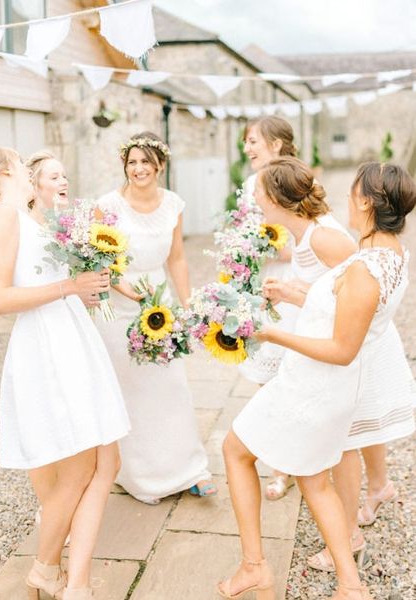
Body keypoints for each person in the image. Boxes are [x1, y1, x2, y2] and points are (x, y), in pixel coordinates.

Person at [218, 160, 415, 600]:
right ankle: (350, 585)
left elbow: (343, 349)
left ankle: (255, 566)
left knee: (234, 450)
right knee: (313, 479)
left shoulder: (365, 268)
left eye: (352, 192)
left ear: (366, 201)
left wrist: (270, 332)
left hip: (314, 386)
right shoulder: (389, 256)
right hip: (318, 385)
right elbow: (342, 310)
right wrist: (293, 294)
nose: (345, 198)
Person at [0, 147, 130, 600]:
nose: (27, 168)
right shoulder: (2, 217)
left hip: (70, 334)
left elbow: (37, 282)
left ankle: (69, 577)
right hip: (47, 346)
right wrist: (69, 287)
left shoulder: (30, 218)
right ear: (7, 170)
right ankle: (47, 569)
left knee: (106, 461)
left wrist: (80, 292)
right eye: (22, 163)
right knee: (82, 465)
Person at [95, 132, 215, 504]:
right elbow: (99, 260)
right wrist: (123, 287)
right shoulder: (108, 206)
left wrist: (188, 305)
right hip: (120, 307)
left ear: (159, 165)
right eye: (132, 162)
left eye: (145, 161)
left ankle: (189, 469)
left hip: (159, 306)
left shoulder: (174, 204)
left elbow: (176, 258)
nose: (138, 168)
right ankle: (136, 474)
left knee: (171, 386)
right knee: (130, 391)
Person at [241, 122, 357, 501]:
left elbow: (358, 289)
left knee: (345, 434)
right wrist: (291, 292)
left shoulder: (322, 236)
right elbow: (325, 291)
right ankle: (297, 468)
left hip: (338, 345)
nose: (255, 201)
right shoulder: (304, 230)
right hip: (311, 322)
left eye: (259, 195)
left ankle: (345, 513)